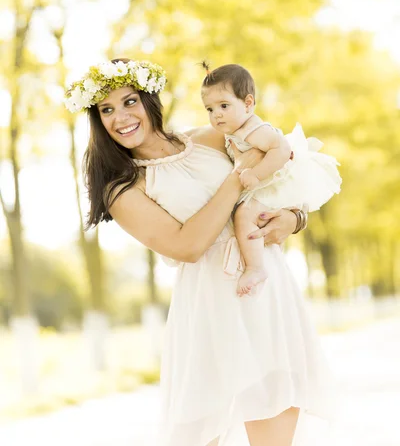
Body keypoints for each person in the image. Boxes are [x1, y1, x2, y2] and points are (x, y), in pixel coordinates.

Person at [65, 58, 333, 446]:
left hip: (265, 288)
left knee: (275, 426)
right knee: (203, 432)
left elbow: (278, 178)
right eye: (106, 110)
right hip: (211, 304)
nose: (120, 117)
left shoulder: (211, 138)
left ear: (149, 100)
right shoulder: (124, 188)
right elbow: (187, 245)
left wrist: (294, 218)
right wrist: (236, 178)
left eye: (129, 102)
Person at [201, 63, 341, 297]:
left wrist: (255, 174)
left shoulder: (252, 129)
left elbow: (282, 148)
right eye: (209, 109)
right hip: (264, 183)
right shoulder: (235, 130)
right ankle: (263, 264)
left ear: (248, 103)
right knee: (253, 219)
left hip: (274, 182)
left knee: (244, 215)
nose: (216, 114)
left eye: (224, 105)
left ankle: (256, 268)